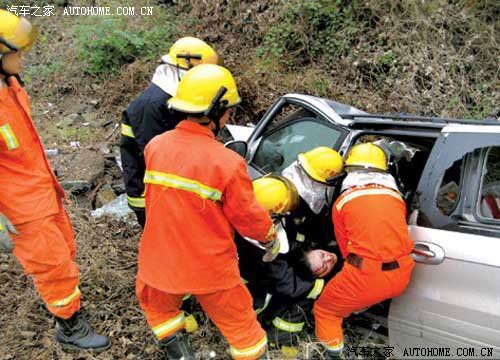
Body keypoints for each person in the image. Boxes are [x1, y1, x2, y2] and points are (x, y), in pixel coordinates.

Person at [135, 64, 280, 359]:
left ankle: (181, 354)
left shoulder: (155, 146)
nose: (229, 117)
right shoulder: (226, 163)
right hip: (210, 269)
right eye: (228, 111)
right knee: (244, 332)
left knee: (160, 312)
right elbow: (248, 216)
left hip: (158, 260)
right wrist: (270, 238)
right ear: (217, 111)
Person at [0, 10, 109, 352]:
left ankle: (69, 305)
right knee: (53, 266)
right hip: (20, 207)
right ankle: (70, 326)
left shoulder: (12, 86)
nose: (22, 58)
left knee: (66, 252)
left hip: (44, 191)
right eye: (15, 52)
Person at [313, 142, 415, 359]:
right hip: (403, 273)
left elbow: (345, 250)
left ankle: (334, 354)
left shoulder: (343, 201)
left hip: (367, 277)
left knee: (325, 311)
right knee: (362, 293)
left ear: (350, 170)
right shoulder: (397, 197)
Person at [237, 147, 343, 354]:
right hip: (252, 289)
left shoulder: (259, 205)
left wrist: (307, 253)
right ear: (275, 214)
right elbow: (285, 281)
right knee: (302, 296)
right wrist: (321, 286)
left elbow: (288, 244)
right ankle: (278, 340)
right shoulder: (260, 244)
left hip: (261, 273)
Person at [120, 37, 219, 228]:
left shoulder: (170, 97)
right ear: (185, 71)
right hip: (148, 194)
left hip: (162, 190)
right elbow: (158, 156)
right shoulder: (153, 105)